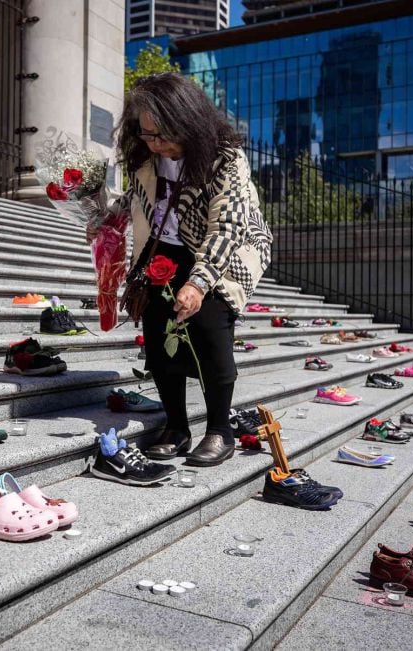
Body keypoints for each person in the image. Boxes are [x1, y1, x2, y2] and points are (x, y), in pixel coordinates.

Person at [94, 72, 273, 467]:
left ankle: (219, 430)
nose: (155, 143)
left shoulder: (225, 158)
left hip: (221, 253)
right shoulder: (147, 155)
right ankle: (176, 427)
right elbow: (135, 200)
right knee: (159, 342)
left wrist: (198, 282)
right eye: (147, 134)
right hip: (162, 251)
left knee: (211, 334)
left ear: (187, 121)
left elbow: (227, 227)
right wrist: (97, 209)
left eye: (162, 135)